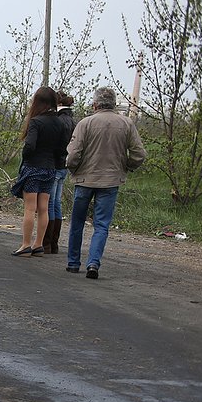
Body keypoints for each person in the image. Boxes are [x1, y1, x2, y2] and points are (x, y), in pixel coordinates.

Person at [64, 87, 147, 279]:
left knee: (77, 222)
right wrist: (126, 166)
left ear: (95, 104)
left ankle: (73, 262)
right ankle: (93, 263)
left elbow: (73, 154)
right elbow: (139, 154)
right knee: (101, 225)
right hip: (110, 181)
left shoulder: (85, 124)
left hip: (84, 180)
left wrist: (73, 169)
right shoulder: (126, 124)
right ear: (115, 104)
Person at [8, 87, 67, 257]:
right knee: (43, 208)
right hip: (50, 169)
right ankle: (38, 244)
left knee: (29, 208)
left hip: (33, 167)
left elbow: (30, 146)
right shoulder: (59, 122)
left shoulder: (36, 121)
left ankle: (26, 244)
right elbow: (62, 149)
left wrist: (26, 156)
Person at [40, 92, 76, 254]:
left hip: (54, 164)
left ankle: (47, 242)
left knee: (50, 203)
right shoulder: (73, 121)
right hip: (65, 165)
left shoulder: (59, 121)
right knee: (57, 203)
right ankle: (53, 242)